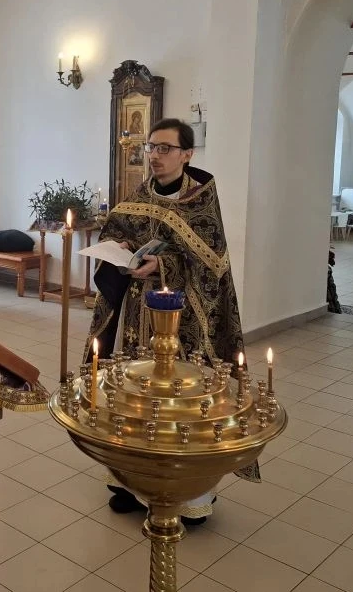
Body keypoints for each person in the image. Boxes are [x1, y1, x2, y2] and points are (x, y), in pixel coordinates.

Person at [86, 118, 248, 526]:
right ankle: (128, 483)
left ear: (187, 154)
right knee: (134, 396)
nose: (155, 156)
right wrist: (122, 248)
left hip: (184, 320)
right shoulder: (139, 195)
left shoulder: (201, 202)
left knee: (179, 401)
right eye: (151, 147)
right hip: (137, 315)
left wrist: (164, 265)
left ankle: (189, 494)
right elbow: (116, 231)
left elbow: (212, 265)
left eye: (165, 148)